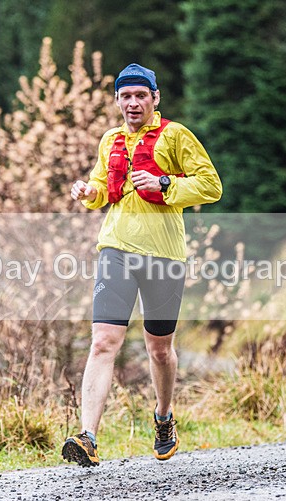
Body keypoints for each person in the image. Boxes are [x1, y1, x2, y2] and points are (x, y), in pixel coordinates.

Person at [62, 63, 222, 466]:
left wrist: (167, 184)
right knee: (103, 341)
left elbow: (211, 185)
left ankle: (164, 418)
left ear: (155, 98)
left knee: (160, 350)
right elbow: (102, 189)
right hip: (115, 249)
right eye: (126, 96)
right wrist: (87, 191)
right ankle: (88, 437)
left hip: (165, 256)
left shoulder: (175, 135)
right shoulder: (109, 139)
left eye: (141, 96)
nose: (133, 103)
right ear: (117, 100)